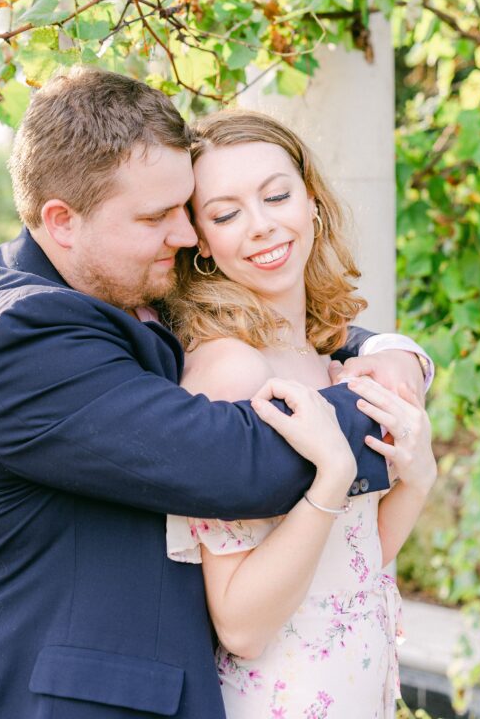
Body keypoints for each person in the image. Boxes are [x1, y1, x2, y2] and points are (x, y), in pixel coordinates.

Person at [0, 67, 433, 719]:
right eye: (159, 216)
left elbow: (291, 335)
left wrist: (389, 352)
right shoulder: (15, 340)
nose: (188, 236)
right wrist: (378, 416)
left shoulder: (117, 287)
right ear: (62, 221)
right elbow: (229, 457)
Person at [165, 110, 437, 718]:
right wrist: (332, 478)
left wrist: (419, 477)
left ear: (311, 200)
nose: (261, 226)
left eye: (277, 195)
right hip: (281, 698)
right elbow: (239, 625)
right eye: (227, 213)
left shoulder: (324, 354)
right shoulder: (230, 373)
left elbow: (353, 564)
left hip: (359, 687)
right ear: (201, 242)